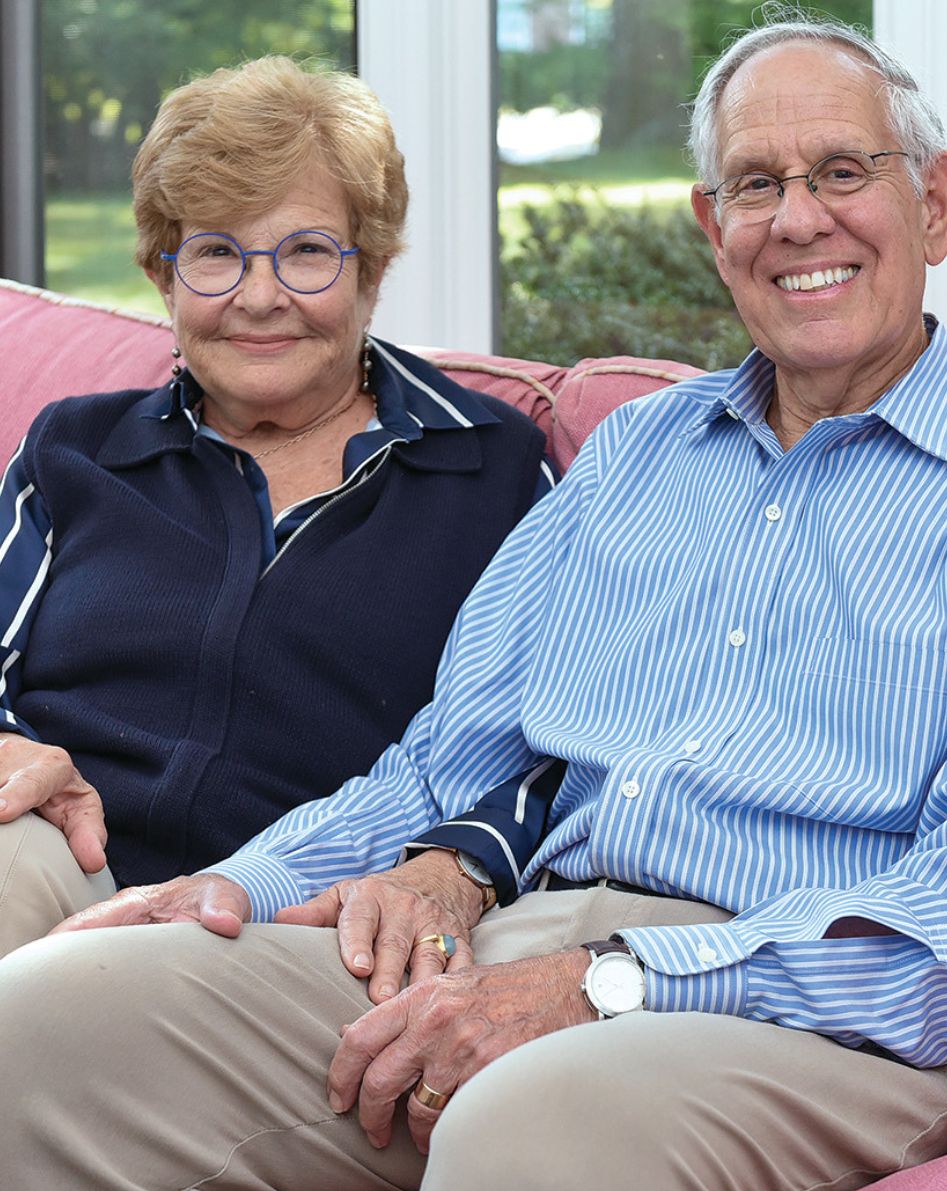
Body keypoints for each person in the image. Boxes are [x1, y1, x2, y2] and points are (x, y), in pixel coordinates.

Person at [2, 14, 947, 1191]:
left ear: (938, 203)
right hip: (524, 940)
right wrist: (232, 886)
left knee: (525, 1147)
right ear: (713, 226)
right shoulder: (635, 455)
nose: (798, 218)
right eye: (755, 184)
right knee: (50, 1023)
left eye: (843, 172)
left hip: (808, 1007)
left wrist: (611, 982)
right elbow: (446, 763)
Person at [0, 55, 550, 956]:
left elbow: (551, 742)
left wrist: (448, 870)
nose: (260, 298)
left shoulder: (494, 469)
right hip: (64, 854)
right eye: (217, 253)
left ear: (371, 272)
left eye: (306, 253)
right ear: (164, 278)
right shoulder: (76, 447)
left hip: (293, 917)